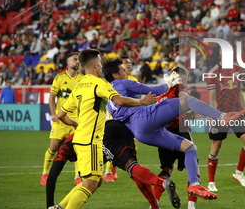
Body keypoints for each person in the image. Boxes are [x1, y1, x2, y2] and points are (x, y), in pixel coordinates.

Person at [104, 58, 245, 200]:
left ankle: (193, 186)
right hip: (146, 118)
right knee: (188, 101)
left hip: (141, 132)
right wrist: (168, 83)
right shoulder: (121, 82)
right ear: (115, 75)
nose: (126, 71)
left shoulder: (108, 97)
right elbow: (153, 90)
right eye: (123, 70)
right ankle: (222, 116)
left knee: (189, 147)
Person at [49, 49, 158, 209]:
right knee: (90, 184)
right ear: (94, 65)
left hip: (79, 140)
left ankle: (58, 207)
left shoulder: (79, 86)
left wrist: (76, 125)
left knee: (95, 181)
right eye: (100, 63)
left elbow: (60, 115)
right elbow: (119, 100)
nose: (101, 67)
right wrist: (143, 102)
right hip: (91, 142)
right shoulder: (99, 83)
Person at [47, 120, 178, 209]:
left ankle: (162, 182)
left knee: (91, 183)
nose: (72, 161)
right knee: (132, 170)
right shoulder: (82, 142)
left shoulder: (64, 149)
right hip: (118, 126)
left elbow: (52, 177)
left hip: (105, 135)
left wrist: (49, 204)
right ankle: (155, 206)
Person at [205, 47, 245, 192]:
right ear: (220, 52)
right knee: (216, 147)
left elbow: (239, 93)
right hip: (221, 115)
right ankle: (211, 183)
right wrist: (213, 115)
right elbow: (212, 98)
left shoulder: (238, 69)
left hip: (237, 113)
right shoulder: (213, 73)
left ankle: (238, 173)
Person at [153, 66, 202, 209]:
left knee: (166, 169)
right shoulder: (181, 88)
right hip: (180, 131)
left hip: (163, 133)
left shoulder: (161, 92)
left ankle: (154, 204)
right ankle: (191, 206)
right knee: (193, 170)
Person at [41, 52, 84, 186]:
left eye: (79, 60)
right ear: (68, 62)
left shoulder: (82, 79)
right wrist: (53, 114)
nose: (77, 62)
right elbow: (52, 97)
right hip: (61, 119)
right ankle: (45, 174)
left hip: (76, 120)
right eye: (75, 59)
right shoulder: (60, 78)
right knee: (53, 147)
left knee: (78, 148)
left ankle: (77, 176)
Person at [103, 55, 138, 182]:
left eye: (129, 63)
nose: (128, 65)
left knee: (132, 144)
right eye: (125, 63)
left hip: (131, 117)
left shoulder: (133, 79)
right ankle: (107, 171)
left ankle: (118, 168)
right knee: (114, 145)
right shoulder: (111, 82)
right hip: (116, 116)